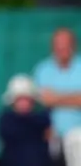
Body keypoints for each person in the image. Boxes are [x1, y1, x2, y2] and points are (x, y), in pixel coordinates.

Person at [34, 28, 81, 156]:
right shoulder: (43, 69)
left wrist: (55, 98)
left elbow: (49, 99)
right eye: (58, 46)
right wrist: (73, 97)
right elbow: (41, 100)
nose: (61, 50)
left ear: (73, 46)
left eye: (65, 46)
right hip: (51, 132)